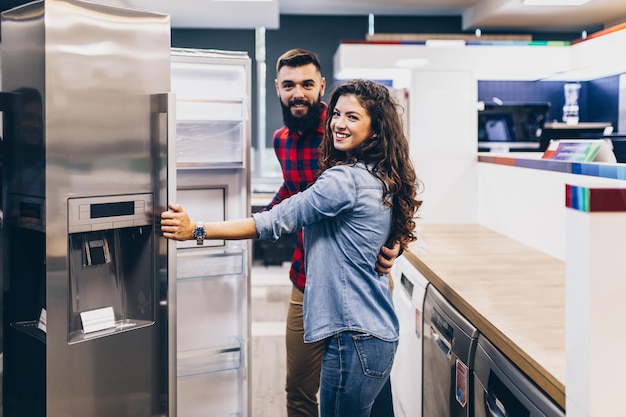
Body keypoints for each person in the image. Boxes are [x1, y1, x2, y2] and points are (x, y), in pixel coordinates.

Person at [161, 78, 422, 417]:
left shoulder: (343, 181)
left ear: (375, 129)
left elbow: (272, 222)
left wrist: (194, 229)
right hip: (378, 336)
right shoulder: (383, 175)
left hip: (351, 339)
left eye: (353, 117)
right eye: (338, 114)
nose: (339, 124)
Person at [269, 48, 399, 417]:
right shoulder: (282, 140)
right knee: (298, 387)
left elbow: (393, 188)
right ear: (277, 88)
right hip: (306, 277)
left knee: (368, 388)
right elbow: (292, 193)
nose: (299, 93)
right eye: (289, 85)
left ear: (321, 86)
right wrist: (251, 218)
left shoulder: (349, 128)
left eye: (308, 84)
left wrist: (398, 242)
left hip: (359, 281)